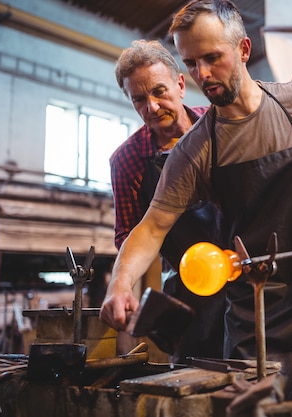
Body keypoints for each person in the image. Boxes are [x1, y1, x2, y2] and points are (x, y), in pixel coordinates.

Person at [100, 1, 292, 415]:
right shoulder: (195, 150)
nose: (203, 75)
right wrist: (120, 283)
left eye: (213, 58)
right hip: (255, 314)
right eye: (193, 63)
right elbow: (152, 227)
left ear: (244, 50)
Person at [109, 39, 224, 359]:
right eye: (139, 99)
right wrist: (121, 285)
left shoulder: (221, 125)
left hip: (248, 279)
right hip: (190, 294)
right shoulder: (128, 161)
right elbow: (129, 237)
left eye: (159, 91)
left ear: (181, 84)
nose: (152, 107)